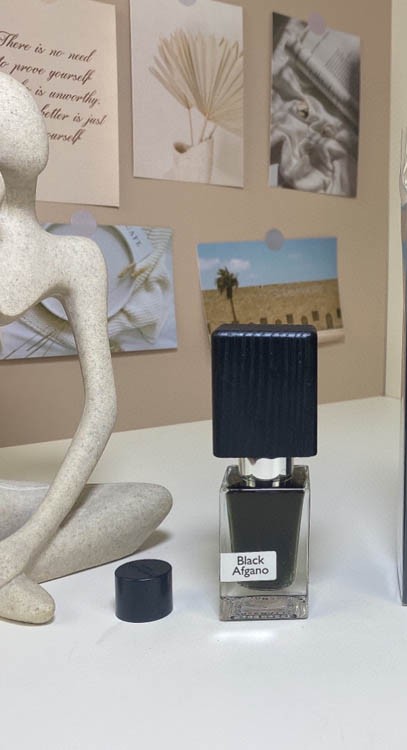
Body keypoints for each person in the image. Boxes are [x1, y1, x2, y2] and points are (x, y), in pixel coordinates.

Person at [0, 73, 170, 624]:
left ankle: (10, 562)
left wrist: (28, 538)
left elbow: (102, 406)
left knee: (147, 501)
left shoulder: (76, 258)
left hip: (17, 515)